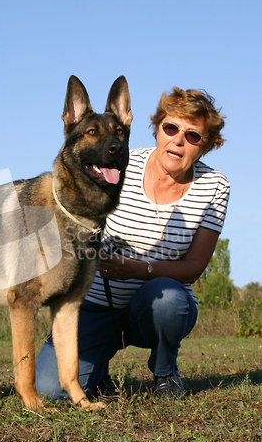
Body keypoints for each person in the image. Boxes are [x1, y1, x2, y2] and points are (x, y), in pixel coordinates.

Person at [35, 86, 230, 398]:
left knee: (170, 300)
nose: (178, 140)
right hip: (95, 304)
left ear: (205, 145)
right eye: (170, 128)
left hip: (153, 305)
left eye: (193, 135)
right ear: (156, 130)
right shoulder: (114, 164)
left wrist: (137, 269)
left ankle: (165, 373)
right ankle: (96, 370)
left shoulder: (215, 186)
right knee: (47, 390)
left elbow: (193, 267)